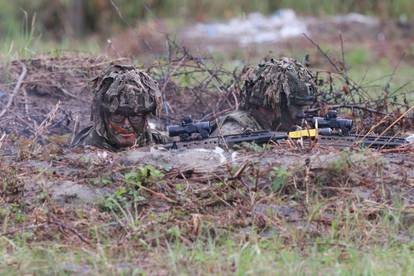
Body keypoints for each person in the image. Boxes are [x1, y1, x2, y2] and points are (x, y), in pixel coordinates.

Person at [71, 64, 166, 151]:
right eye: (117, 116)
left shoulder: (156, 140)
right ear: (104, 118)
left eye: (135, 117)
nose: (126, 125)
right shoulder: (88, 147)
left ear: (145, 119)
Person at [211, 57, 317, 136]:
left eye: (304, 107)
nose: (301, 114)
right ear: (268, 104)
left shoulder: (287, 127)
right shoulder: (234, 132)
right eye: (296, 106)